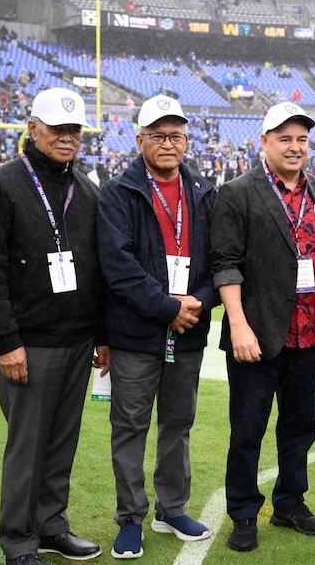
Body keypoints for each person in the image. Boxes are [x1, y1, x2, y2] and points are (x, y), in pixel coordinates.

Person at [0, 87, 106, 565]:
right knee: (27, 446)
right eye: (57, 128)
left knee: (61, 443)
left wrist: (101, 335)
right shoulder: (1, 184)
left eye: (74, 130)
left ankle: (51, 526)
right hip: (26, 342)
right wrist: (6, 341)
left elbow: (97, 269)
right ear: (32, 128)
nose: (67, 137)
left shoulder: (86, 188)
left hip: (77, 339)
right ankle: (19, 541)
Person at [211, 102, 315, 552]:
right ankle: (243, 512)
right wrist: (238, 325)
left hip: (310, 332)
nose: (295, 148)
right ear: (265, 142)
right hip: (257, 334)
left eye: (302, 140)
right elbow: (226, 264)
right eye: (285, 139)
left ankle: (290, 503)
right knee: (248, 429)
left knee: (300, 424)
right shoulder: (237, 192)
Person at [96, 95, 217, 559]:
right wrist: (169, 307)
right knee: (130, 426)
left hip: (188, 330)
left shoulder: (204, 190)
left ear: (186, 140)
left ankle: (172, 508)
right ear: (139, 138)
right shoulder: (117, 192)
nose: (168, 144)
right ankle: (130, 517)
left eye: (176, 135)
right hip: (136, 332)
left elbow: (221, 260)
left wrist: (198, 303)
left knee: (178, 424)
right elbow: (118, 266)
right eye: (158, 135)